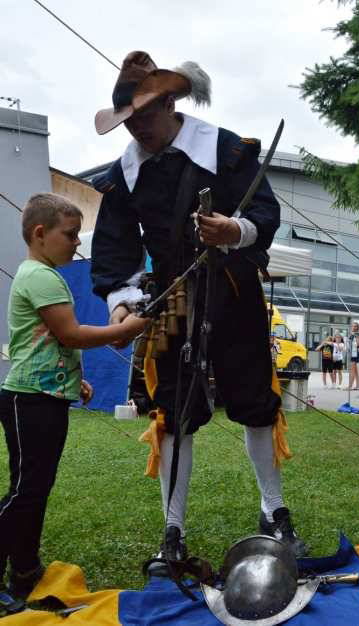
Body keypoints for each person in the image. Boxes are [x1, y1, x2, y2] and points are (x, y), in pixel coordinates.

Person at [90, 51, 307, 566]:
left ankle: (273, 511)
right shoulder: (124, 172)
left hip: (233, 286)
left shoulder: (224, 149)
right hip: (170, 298)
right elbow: (115, 243)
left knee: (256, 397)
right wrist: (121, 304)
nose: (137, 130)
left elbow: (264, 211)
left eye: (144, 116)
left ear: (169, 102)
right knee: (173, 411)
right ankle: (173, 531)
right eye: (128, 122)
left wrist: (236, 231)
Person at [0, 194, 147, 611]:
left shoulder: (40, 273)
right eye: (69, 235)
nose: (75, 244)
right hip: (31, 400)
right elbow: (70, 334)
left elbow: (47, 341)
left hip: (43, 395)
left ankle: (25, 570)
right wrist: (125, 327)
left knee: (33, 489)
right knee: (27, 493)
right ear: (40, 234)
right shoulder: (41, 277)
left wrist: (74, 379)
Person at [348, 321, 359, 391]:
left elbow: (358, 344)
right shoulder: (352, 334)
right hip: (352, 353)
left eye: (355, 326)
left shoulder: (357, 334)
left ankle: (350, 386)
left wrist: (355, 340)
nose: (353, 327)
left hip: (355, 353)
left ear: (357, 327)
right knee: (356, 371)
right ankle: (357, 386)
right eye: (353, 326)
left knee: (352, 371)